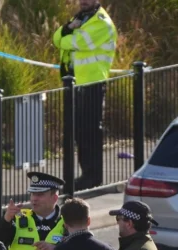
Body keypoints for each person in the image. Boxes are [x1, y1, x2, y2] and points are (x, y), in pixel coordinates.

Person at [53, 0, 117, 190]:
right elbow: (56, 38)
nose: (83, 1)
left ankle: (92, 177)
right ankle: (85, 176)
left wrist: (68, 34)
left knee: (90, 132)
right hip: (76, 83)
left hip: (93, 83)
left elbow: (75, 43)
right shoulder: (80, 17)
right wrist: (67, 28)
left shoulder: (101, 22)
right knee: (79, 132)